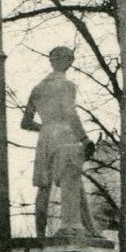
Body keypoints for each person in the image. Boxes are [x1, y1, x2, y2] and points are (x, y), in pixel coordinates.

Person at [20, 46, 96, 237]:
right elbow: (70, 113)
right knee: (71, 180)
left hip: (45, 138)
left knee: (43, 187)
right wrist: (84, 138)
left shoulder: (37, 89)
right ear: (67, 61)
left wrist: (45, 127)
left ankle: (40, 235)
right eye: (70, 60)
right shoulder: (67, 85)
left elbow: (25, 122)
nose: (71, 64)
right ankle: (74, 227)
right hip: (64, 136)